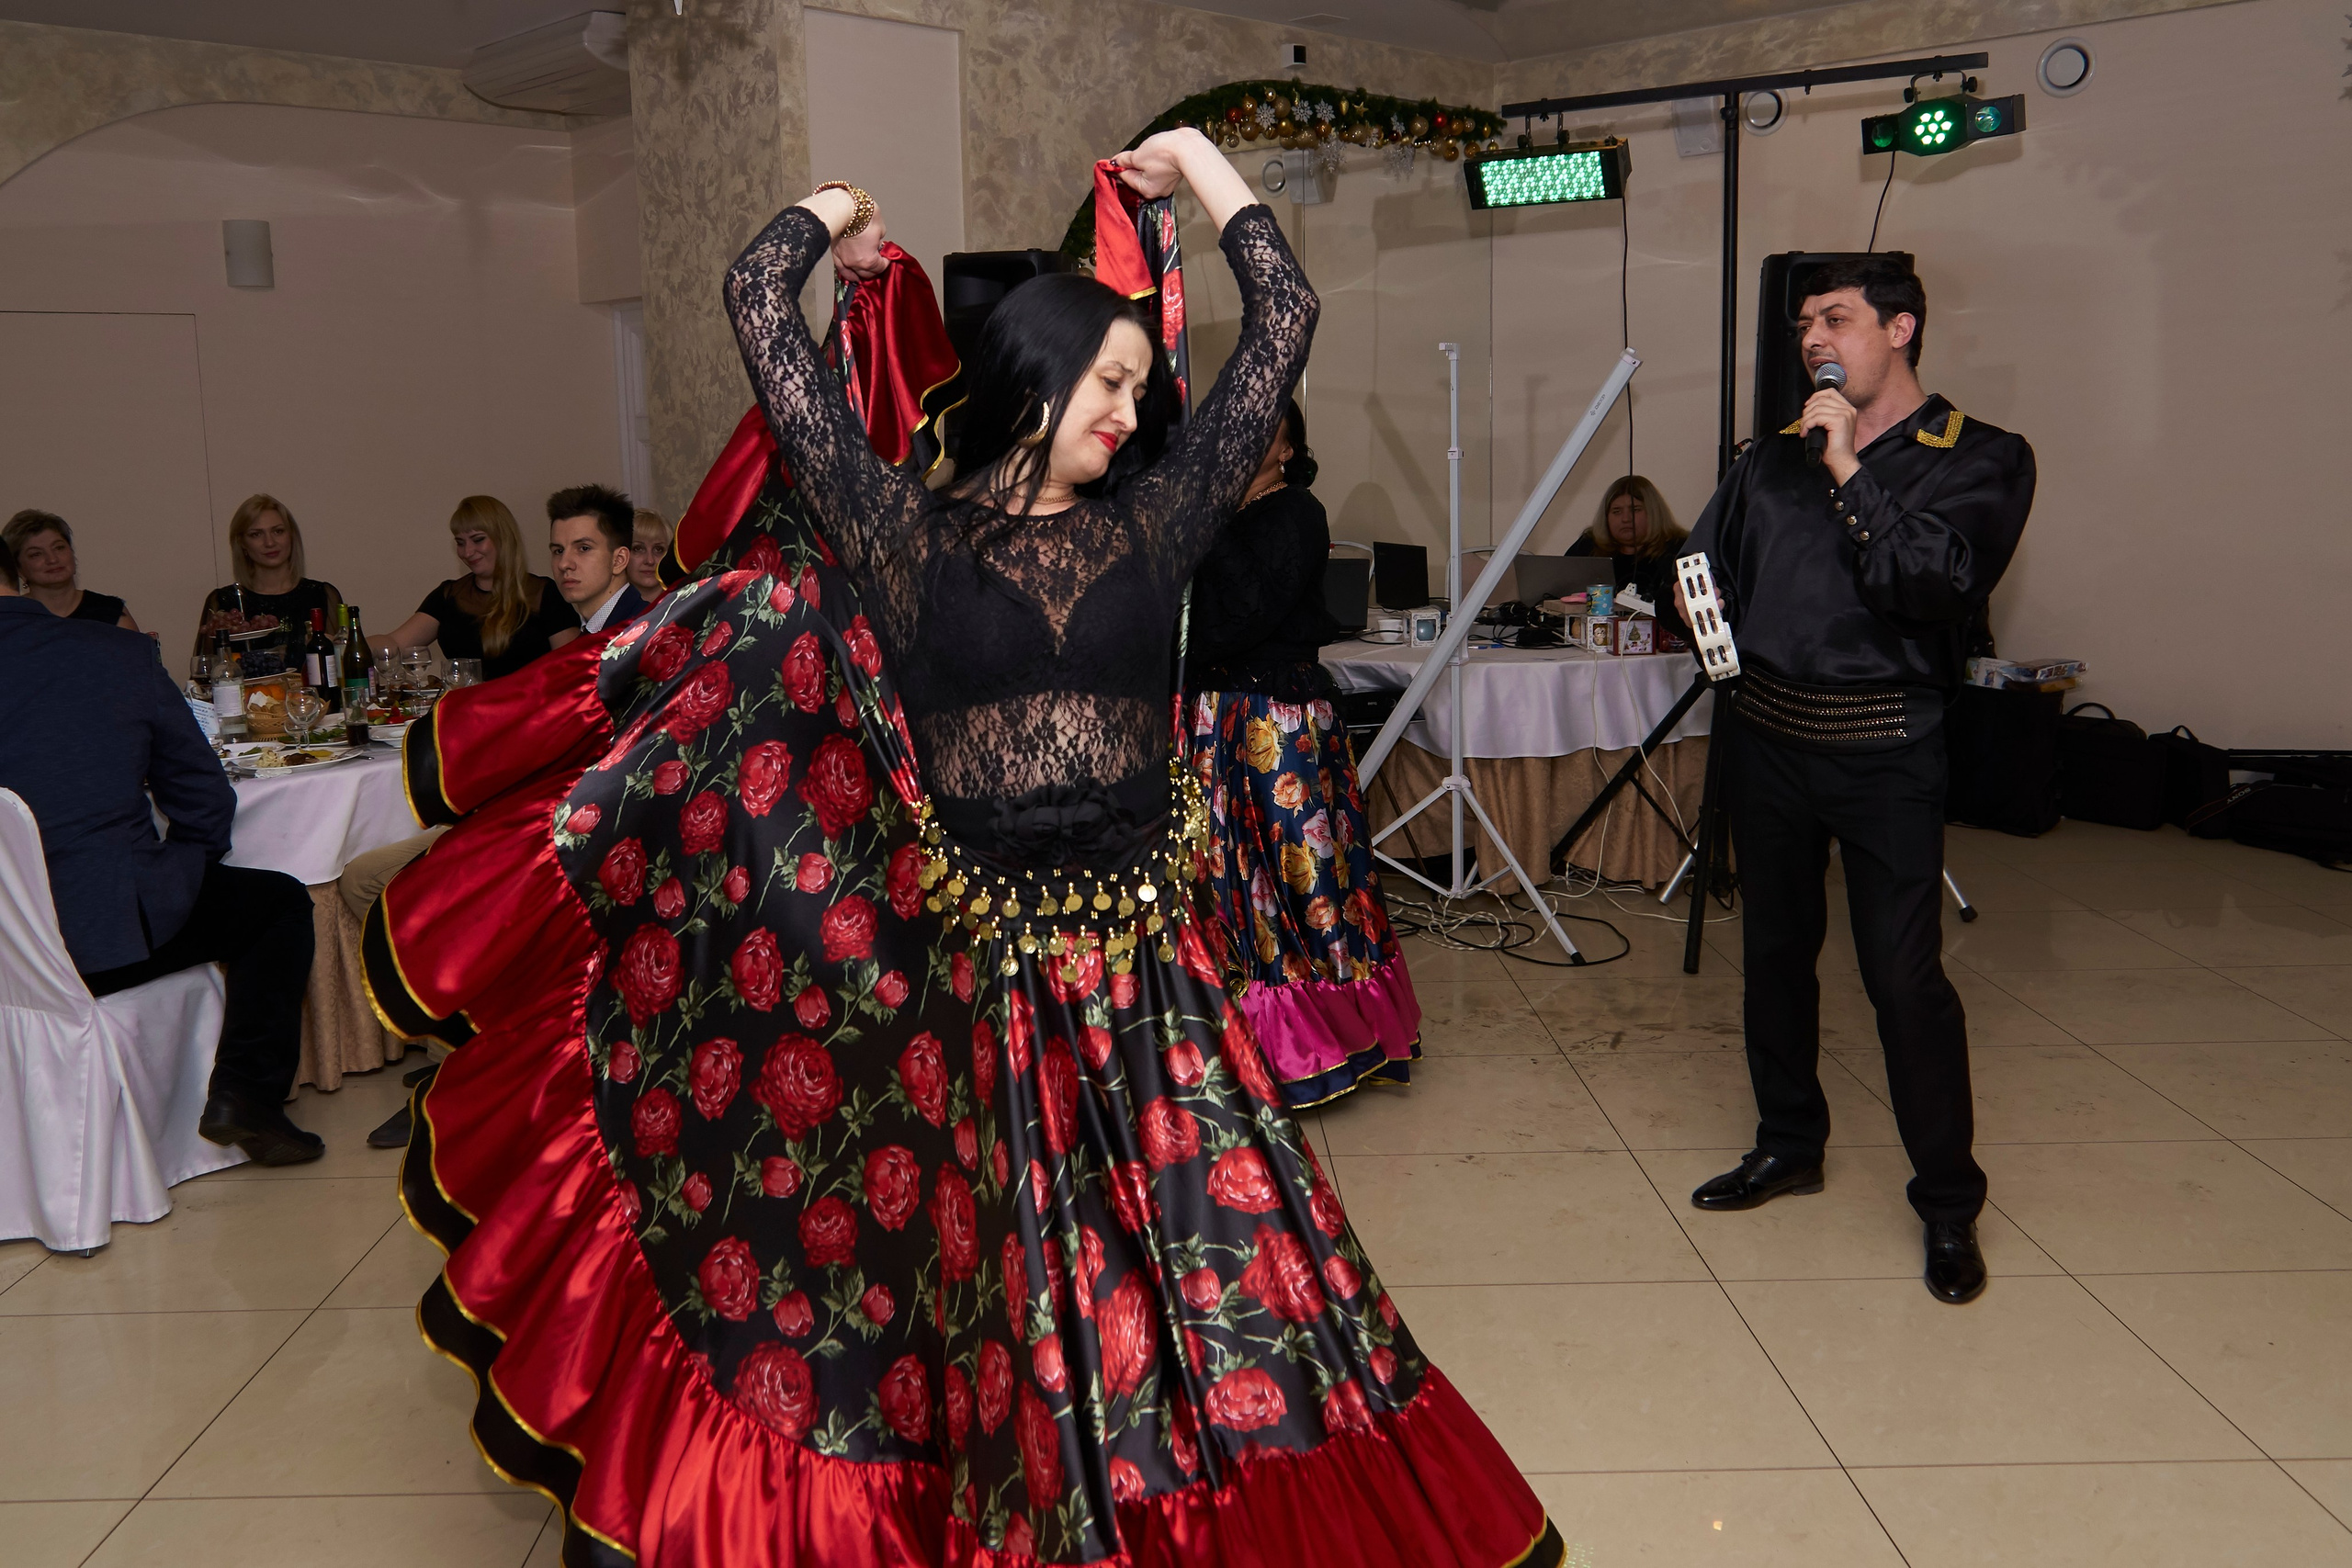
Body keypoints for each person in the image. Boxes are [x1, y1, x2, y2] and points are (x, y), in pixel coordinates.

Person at [372, 131, 1564, 1568]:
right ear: (1036, 378)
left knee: (1240, 1274)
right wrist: (844, 222)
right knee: (1013, 1299)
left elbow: (1286, 320)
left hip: (1152, 986)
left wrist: (1202, 164)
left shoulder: (1161, 525)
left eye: (1138, 383)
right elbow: (760, 300)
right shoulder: (902, 536)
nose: (1131, 411)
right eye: (1109, 381)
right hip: (985, 988)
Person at [1679, 253, 2035, 1305]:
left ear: (1901, 328)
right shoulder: (1767, 459)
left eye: (1834, 318)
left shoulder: (1983, 457)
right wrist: (1716, 650)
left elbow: (1929, 584)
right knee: (1776, 960)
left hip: (1888, 748)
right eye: (1801, 326)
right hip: (1769, 741)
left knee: (1901, 978)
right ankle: (1789, 1144)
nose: (1812, 341)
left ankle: (1947, 1202)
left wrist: (1846, 469)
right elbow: (1701, 565)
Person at [0, 533, 322, 1166]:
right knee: (277, 903)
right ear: (17, 574)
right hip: (102, 936)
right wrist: (178, 871)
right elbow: (203, 798)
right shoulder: (115, 652)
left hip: (11, 950)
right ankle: (245, 1093)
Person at [1183, 400, 1419, 1105]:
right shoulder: (1212, 514)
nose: (1243, 434)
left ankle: (1309, 1039)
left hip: (1275, 728)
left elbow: (1242, 615)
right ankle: (1218, 1030)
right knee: (1220, 875)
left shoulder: (1297, 513)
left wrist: (1202, 516)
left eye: (1263, 427)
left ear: (1290, 448)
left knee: (1298, 877)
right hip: (1211, 720)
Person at [384, 495, 578, 679]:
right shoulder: (449, 595)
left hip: (528, 710)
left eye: (478, 540)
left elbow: (572, 669)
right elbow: (395, 643)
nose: (467, 552)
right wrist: (355, 646)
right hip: (466, 709)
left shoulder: (544, 593)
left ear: (503, 538)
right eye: (460, 543)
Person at [194, 495, 343, 664]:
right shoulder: (224, 601)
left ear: (292, 536)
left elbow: (342, 664)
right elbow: (207, 674)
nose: (270, 542)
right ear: (242, 543)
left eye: (278, 531)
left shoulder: (321, 594)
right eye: (256, 534)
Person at [3, 510, 140, 630]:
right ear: (18, 569)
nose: (52, 559)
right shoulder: (10, 618)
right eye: (36, 554)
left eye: (59, 548)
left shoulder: (111, 612)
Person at [1567, 474, 1686, 605]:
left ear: (1653, 513)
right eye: (1617, 511)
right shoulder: (1589, 546)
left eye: (1635, 510)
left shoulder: (1678, 549)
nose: (1625, 519)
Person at [547, 483, 646, 633]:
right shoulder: (590, 632)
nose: (564, 564)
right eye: (558, 550)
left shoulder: (645, 630)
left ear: (619, 560)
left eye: (584, 548)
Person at [628, 506, 672, 600]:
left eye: (658, 549)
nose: (650, 561)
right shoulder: (607, 609)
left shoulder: (686, 605)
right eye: (638, 549)